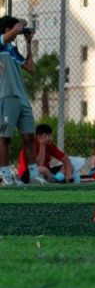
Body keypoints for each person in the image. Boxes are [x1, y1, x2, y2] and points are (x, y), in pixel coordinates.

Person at [0, 17, 45, 186]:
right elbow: (17, 29)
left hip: (22, 98)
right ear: (7, 30)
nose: (17, 34)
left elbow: (30, 67)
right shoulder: (0, 43)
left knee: (29, 137)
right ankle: (5, 175)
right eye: (13, 30)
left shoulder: (12, 50)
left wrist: (28, 43)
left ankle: (34, 175)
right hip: (6, 96)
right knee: (4, 138)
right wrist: (22, 24)